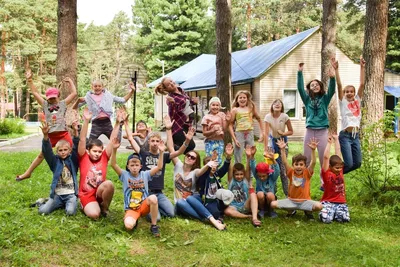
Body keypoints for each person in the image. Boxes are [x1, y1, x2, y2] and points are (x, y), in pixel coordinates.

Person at [124, 114, 195, 219]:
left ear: (160, 142)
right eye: (152, 141)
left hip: (159, 193)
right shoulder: (143, 153)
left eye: (157, 141)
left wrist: (187, 140)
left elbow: (179, 151)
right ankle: (148, 207)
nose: (155, 143)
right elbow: (130, 138)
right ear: (148, 142)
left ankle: (155, 208)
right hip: (146, 193)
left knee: (171, 214)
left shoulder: (164, 155)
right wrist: (125, 124)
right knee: (156, 218)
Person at [17, 70, 77, 181]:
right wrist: (30, 80)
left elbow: (74, 94)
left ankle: (77, 172)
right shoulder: (45, 105)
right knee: (41, 155)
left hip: (63, 134)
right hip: (50, 135)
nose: (52, 100)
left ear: (58, 96)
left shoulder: (63, 104)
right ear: (47, 98)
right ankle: (28, 172)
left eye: (54, 98)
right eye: (50, 98)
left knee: (75, 151)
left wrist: (70, 82)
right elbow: (35, 93)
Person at [165, 135, 226, 230]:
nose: (189, 158)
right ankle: (207, 219)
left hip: (193, 201)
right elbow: (170, 147)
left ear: (195, 162)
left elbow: (201, 171)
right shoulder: (178, 166)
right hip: (181, 205)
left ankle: (210, 220)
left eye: (192, 158)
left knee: (190, 198)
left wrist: (208, 164)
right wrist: (169, 129)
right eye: (188, 155)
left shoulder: (195, 171)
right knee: (180, 202)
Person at [110, 137, 166, 237]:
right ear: (128, 166)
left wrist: (161, 153)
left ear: (141, 166)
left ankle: (154, 226)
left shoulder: (145, 174)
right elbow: (113, 164)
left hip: (143, 205)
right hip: (131, 208)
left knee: (153, 198)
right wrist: (114, 150)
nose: (134, 167)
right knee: (128, 226)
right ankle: (133, 219)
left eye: (137, 165)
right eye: (132, 165)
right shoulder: (124, 175)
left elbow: (159, 167)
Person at [77, 108, 122, 219]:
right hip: (86, 194)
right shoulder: (83, 156)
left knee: (109, 184)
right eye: (94, 151)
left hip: (99, 191)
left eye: (99, 151)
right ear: (88, 150)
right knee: (94, 215)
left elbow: (112, 140)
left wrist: (117, 123)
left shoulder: (104, 157)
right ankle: (87, 205)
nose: (97, 154)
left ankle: (105, 208)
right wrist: (86, 121)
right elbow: (82, 139)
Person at [297, 61, 336, 189]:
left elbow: (332, 89)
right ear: (309, 88)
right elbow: (299, 88)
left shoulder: (325, 98)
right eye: (312, 85)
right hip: (310, 131)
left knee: (323, 157)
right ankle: (303, 181)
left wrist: (332, 77)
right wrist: (300, 72)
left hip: (322, 131)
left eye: (317, 84)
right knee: (307, 158)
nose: (314, 86)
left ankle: (324, 183)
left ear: (320, 86)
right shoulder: (307, 98)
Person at [272, 138, 323, 220]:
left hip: (305, 201)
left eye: (301, 164)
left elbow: (313, 162)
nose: (299, 166)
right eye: (296, 164)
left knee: (319, 206)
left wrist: (313, 150)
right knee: (273, 204)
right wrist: (282, 149)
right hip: (292, 201)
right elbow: (284, 162)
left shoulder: (307, 173)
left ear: (305, 166)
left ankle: (308, 211)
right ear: (293, 165)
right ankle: (291, 211)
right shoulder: (291, 172)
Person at [37, 121, 80, 216]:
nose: (63, 152)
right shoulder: (54, 162)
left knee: (70, 212)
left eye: (65, 150)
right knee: (42, 211)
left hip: (70, 195)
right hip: (57, 195)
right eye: (60, 150)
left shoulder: (73, 160)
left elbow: (76, 147)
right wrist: (45, 136)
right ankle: (44, 201)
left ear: (69, 151)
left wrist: (76, 133)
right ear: (57, 151)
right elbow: (47, 151)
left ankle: (66, 204)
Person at [333, 57, 365, 174]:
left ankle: (335, 175)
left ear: (354, 93)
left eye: (352, 91)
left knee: (357, 164)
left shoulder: (357, 100)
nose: (349, 93)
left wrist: (362, 67)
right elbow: (339, 84)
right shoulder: (343, 102)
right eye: (347, 92)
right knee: (349, 163)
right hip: (345, 136)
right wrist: (336, 69)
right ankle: (332, 177)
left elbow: (362, 84)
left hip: (355, 136)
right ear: (344, 94)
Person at [154, 77, 198, 154]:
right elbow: (176, 110)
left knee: (190, 147)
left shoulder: (181, 90)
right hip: (177, 127)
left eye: (171, 81)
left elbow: (187, 103)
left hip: (186, 125)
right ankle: (170, 146)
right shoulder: (170, 98)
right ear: (166, 89)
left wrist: (193, 102)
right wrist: (173, 103)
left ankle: (171, 145)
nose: (171, 83)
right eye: (168, 84)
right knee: (190, 147)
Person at [224, 145, 262, 227]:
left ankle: (254, 218)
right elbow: (230, 168)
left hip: (245, 205)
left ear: (244, 174)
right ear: (233, 175)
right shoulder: (231, 180)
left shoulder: (245, 180)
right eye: (237, 174)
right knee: (227, 211)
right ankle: (248, 216)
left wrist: (249, 157)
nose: (239, 176)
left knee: (253, 194)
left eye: (241, 174)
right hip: (234, 207)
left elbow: (248, 169)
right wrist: (229, 155)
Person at [263, 99, 293, 197]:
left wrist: (283, 133)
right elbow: (266, 133)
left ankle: (288, 195)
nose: (277, 104)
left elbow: (291, 131)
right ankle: (272, 195)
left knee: (283, 171)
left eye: (279, 103)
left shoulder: (285, 116)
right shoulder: (268, 117)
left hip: (282, 143)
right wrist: (265, 149)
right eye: (275, 103)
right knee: (272, 170)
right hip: (272, 143)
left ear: (282, 107)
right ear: (272, 106)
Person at [197, 144, 233, 221]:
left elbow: (225, 168)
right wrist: (210, 164)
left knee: (228, 201)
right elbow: (206, 175)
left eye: (214, 163)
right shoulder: (202, 176)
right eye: (209, 163)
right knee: (215, 213)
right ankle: (218, 214)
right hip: (209, 201)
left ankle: (222, 211)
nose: (212, 165)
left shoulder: (216, 174)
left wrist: (228, 156)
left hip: (218, 199)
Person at [319, 134, 350, 223]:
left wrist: (336, 140)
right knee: (326, 220)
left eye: (340, 167)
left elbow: (338, 152)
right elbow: (325, 157)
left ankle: (336, 213)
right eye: (337, 168)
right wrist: (329, 143)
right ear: (330, 167)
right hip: (328, 201)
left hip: (341, 202)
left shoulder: (340, 171)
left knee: (344, 219)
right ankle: (328, 212)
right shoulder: (326, 173)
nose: (339, 169)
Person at [229, 90, 264, 164]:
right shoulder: (235, 110)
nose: (242, 99)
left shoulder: (251, 109)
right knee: (238, 154)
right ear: (237, 100)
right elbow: (230, 125)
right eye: (240, 97)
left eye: (244, 97)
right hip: (239, 134)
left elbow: (259, 119)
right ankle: (237, 173)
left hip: (250, 133)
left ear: (247, 99)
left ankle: (250, 174)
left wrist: (262, 133)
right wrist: (234, 139)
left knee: (251, 153)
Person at [250, 146, 280, 218]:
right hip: (261, 200)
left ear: (268, 174)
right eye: (260, 176)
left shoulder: (272, 177)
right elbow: (253, 166)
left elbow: (277, 170)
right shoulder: (257, 177)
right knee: (260, 194)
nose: (261, 178)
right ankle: (262, 210)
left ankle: (271, 211)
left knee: (270, 194)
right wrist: (252, 156)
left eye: (263, 176)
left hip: (271, 200)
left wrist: (273, 160)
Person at [201, 96, 230, 166]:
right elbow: (204, 133)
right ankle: (209, 175)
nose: (215, 107)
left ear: (220, 107)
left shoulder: (222, 115)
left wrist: (228, 121)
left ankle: (216, 175)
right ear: (210, 106)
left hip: (220, 141)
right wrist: (213, 130)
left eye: (217, 105)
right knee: (209, 161)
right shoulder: (206, 117)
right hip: (209, 142)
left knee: (218, 161)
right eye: (213, 105)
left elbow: (225, 129)